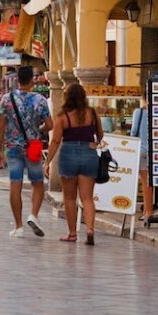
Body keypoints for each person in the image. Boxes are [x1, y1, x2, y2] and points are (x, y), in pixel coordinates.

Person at [0, 67, 53, 239]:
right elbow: (50, 125)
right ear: (32, 80)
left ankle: (18, 226)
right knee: (38, 183)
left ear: (17, 80)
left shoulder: (7, 99)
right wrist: (38, 129)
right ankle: (33, 215)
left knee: (15, 185)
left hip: (13, 148)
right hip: (33, 147)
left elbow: (0, 127)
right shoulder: (40, 100)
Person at [44, 83, 103, 246]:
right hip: (89, 154)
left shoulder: (63, 116)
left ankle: (72, 234)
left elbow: (55, 141)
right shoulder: (92, 113)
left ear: (67, 97)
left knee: (69, 198)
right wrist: (93, 144)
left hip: (68, 154)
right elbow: (100, 135)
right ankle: (90, 230)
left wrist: (47, 162)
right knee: (87, 198)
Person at [131, 92, 153, 221]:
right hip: (156, 152)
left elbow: (134, 132)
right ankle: (146, 210)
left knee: (146, 183)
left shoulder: (138, 112)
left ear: (144, 99)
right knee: (151, 182)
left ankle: (148, 211)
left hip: (143, 151)